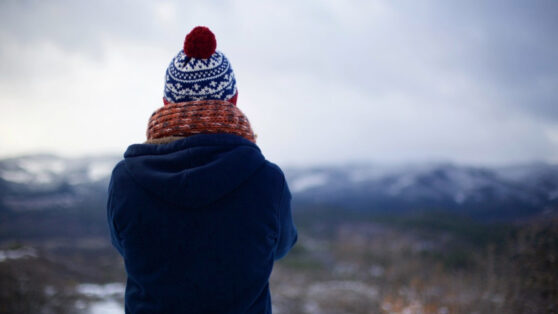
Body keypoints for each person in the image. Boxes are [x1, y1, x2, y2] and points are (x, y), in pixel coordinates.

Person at [106, 26, 298, 314]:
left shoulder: (126, 180)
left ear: (166, 103)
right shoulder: (268, 181)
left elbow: (124, 247)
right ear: (232, 100)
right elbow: (281, 246)